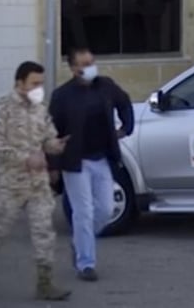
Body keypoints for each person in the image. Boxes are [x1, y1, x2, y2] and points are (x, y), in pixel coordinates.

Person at [0, 61, 72, 300]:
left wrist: (56, 146)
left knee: (43, 232)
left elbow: (47, 138)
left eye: (41, 83)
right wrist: (25, 159)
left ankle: (45, 283)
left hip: (37, 183)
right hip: (7, 184)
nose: (39, 88)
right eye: (34, 83)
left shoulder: (41, 109)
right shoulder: (1, 109)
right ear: (20, 83)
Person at [48, 47, 134, 282]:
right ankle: (86, 263)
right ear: (73, 69)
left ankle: (80, 243)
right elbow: (51, 132)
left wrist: (126, 128)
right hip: (75, 162)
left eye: (92, 62)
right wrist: (53, 165)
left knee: (106, 209)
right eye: (84, 64)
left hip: (101, 158)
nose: (90, 67)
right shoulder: (62, 96)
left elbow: (124, 102)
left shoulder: (105, 86)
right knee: (83, 211)